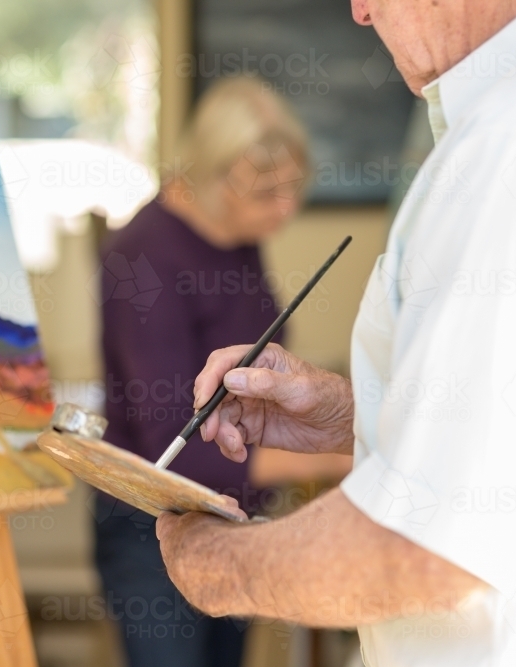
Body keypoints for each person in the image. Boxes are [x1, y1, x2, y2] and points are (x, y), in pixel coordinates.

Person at [156, 1, 516, 666]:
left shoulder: (514, 138)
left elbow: (429, 549)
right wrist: (354, 414)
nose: (360, 12)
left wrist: (223, 567)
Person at [95, 77, 308, 667]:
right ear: (214, 178)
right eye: (267, 193)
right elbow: (177, 445)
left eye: (292, 187)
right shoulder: (140, 255)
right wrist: (346, 449)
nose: (285, 208)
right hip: (153, 523)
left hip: (230, 511)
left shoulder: (237, 234)